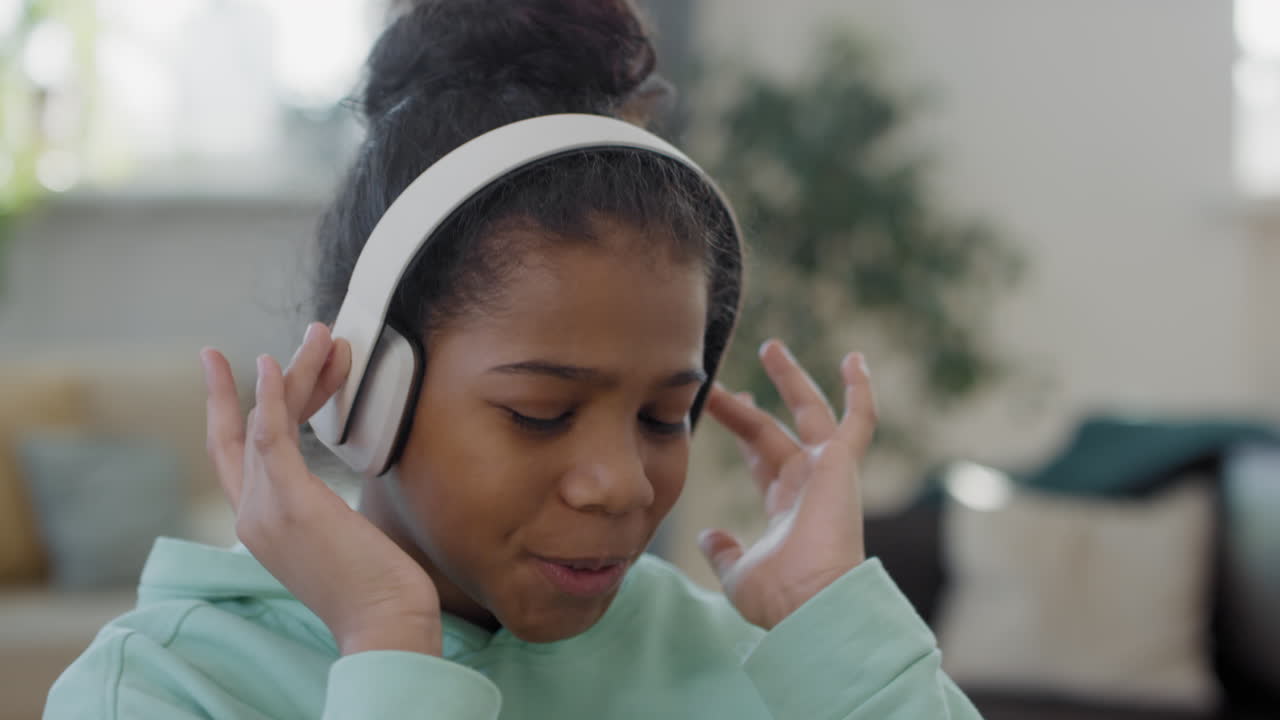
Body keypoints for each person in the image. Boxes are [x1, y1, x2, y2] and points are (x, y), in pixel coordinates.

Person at [45, 1, 982, 718]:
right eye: (542, 411)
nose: (622, 487)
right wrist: (388, 646)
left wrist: (836, 630)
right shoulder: (162, 687)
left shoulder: (747, 657)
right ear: (366, 394)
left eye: (663, 417)